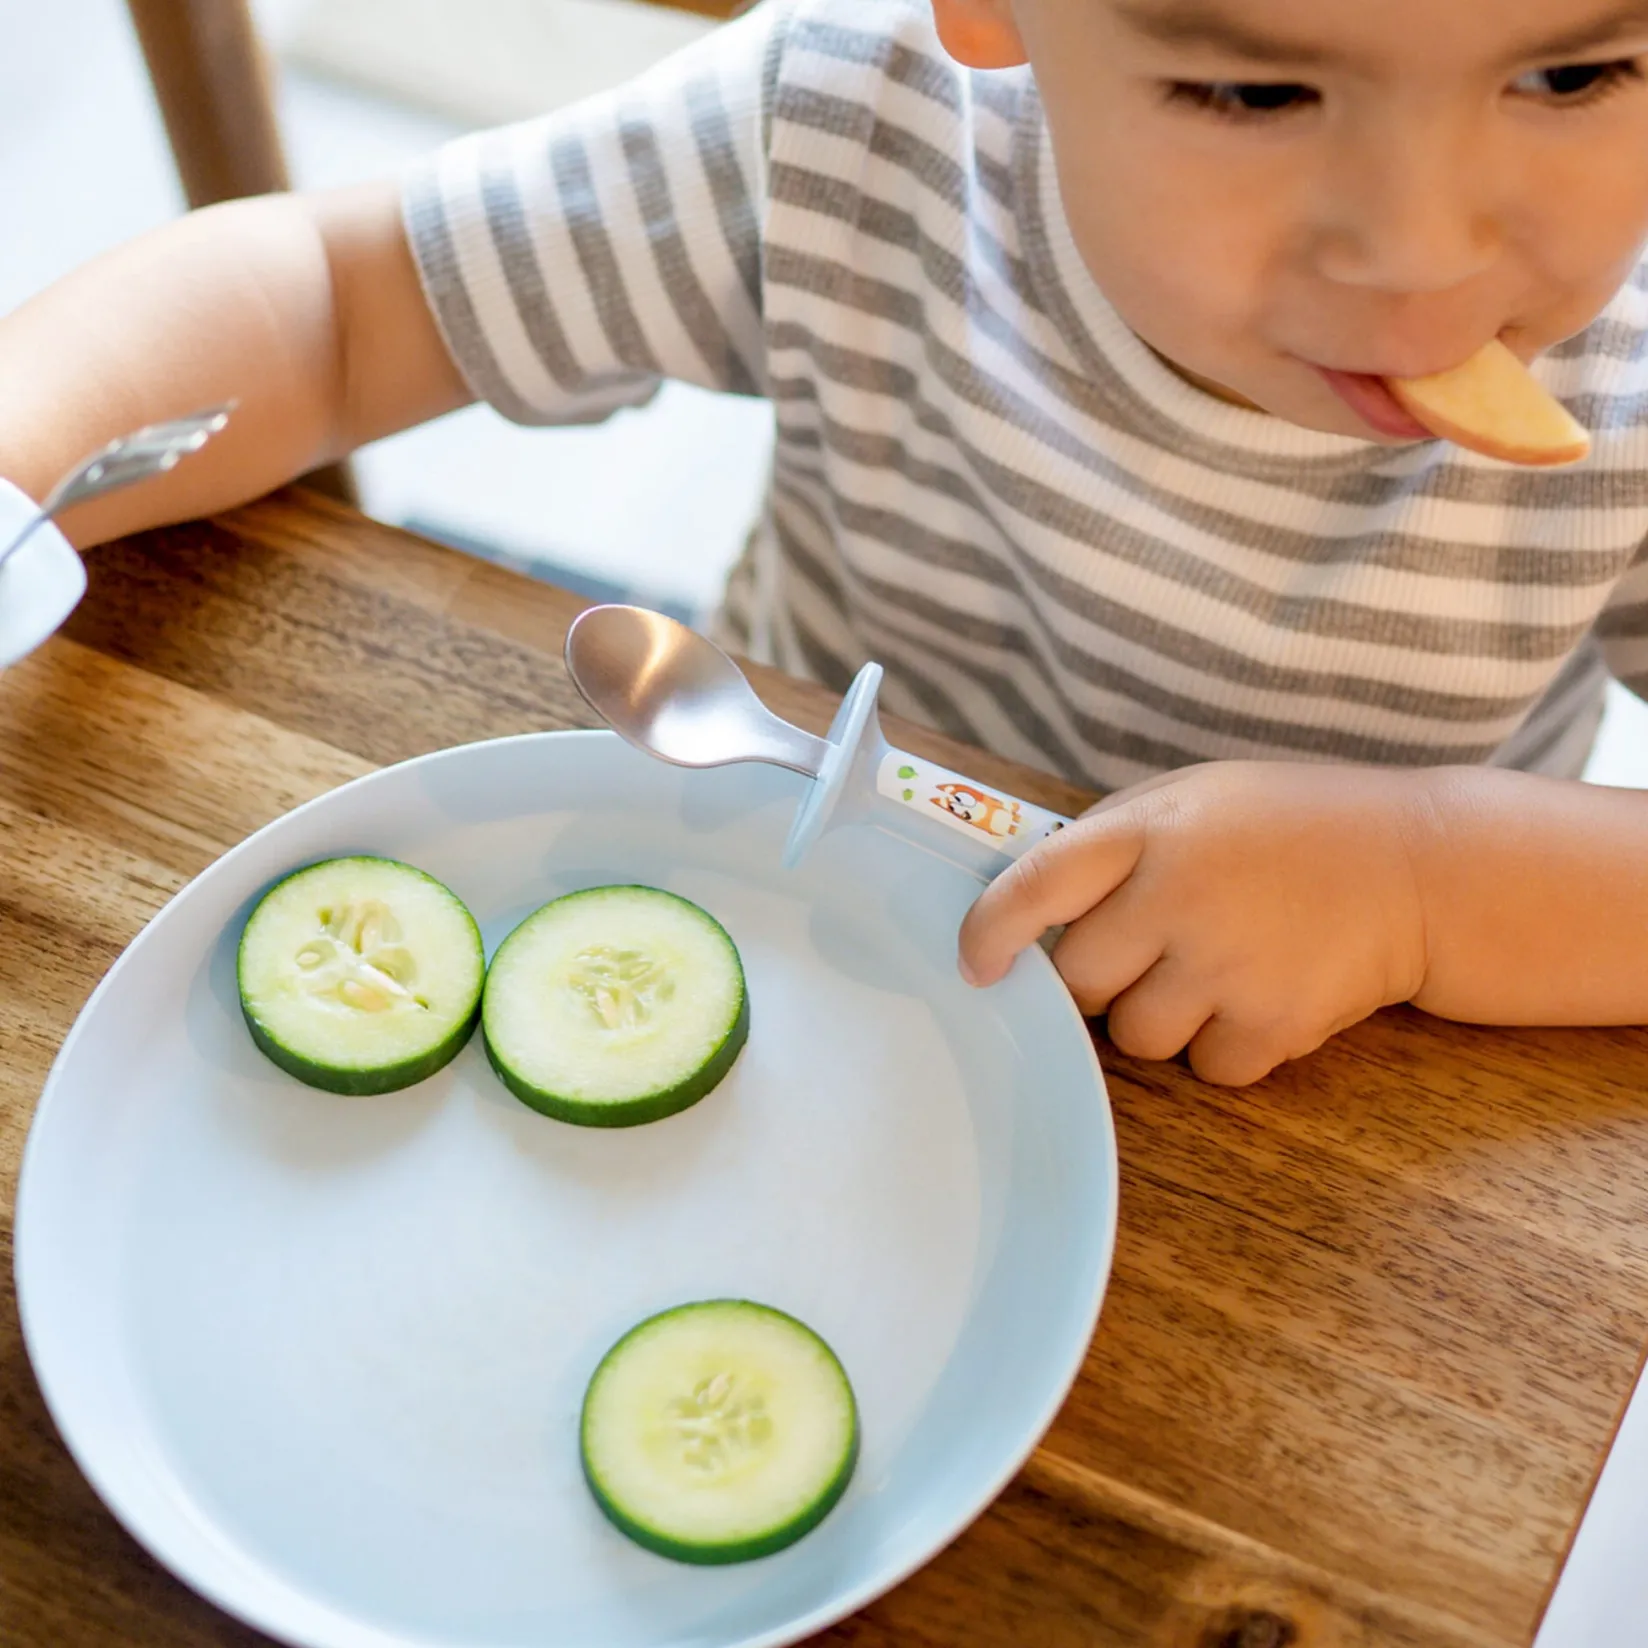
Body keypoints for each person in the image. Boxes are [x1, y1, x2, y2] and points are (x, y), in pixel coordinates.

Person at [4, 0, 1647, 1085]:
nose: (1424, 250)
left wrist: (1426, 882)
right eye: (1256, 88)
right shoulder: (847, 133)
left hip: (1325, 1075)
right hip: (785, 908)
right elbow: (339, 305)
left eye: (1575, 73)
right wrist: (22, 461)